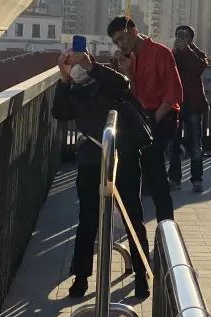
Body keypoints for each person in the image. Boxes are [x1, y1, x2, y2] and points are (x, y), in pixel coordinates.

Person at [50, 49, 152, 299]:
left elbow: (122, 83)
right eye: (72, 64)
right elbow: (60, 112)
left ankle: (141, 274)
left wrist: (90, 65)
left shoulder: (107, 82)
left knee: (132, 216)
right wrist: (63, 78)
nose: (76, 67)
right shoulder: (74, 91)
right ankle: (81, 277)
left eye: (79, 62)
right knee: (88, 218)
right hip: (92, 159)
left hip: (123, 155)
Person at [107, 16, 181, 221]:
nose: (121, 44)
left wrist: (152, 121)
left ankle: (165, 223)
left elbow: (173, 95)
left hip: (161, 116)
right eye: (116, 42)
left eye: (122, 38)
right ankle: (135, 224)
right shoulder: (130, 58)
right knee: (132, 174)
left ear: (133, 31)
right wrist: (128, 73)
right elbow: (133, 97)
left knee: (155, 173)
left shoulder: (160, 52)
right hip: (141, 118)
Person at [169, 25, 208, 193]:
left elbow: (200, 67)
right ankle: (174, 178)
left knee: (195, 145)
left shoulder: (197, 54)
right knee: (173, 145)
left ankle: (197, 179)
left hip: (193, 105)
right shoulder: (172, 54)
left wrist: (186, 50)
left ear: (190, 39)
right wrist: (176, 52)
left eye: (184, 36)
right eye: (179, 36)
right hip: (176, 105)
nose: (181, 39)